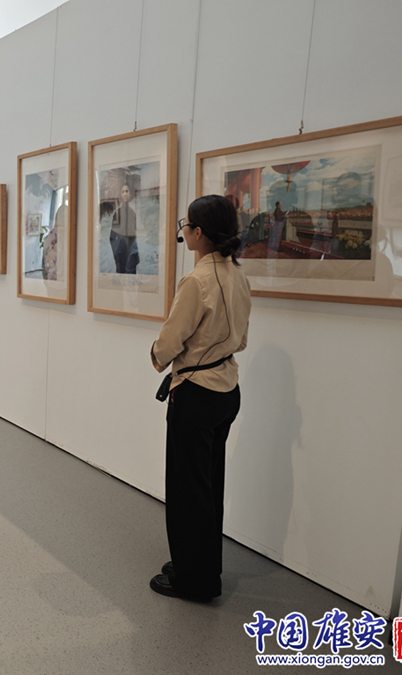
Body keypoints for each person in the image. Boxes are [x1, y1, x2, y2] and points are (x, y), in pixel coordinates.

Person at [149, 194, 252, 602]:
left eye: (186, 225)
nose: (184, 231)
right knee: (208, 486)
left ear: (199, 233)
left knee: (187, 491)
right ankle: (204, 567)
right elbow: (241, 340)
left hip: (195, 394)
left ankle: (194, 581)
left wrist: (157, 356)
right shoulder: (238, 275)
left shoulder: (197, 280)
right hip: (227, 389)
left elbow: (170, 340)